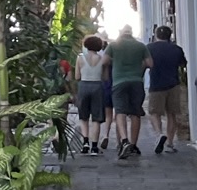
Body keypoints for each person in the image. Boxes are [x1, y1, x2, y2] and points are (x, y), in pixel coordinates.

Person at [104, 24, 149, 159]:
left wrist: (116, 61)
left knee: (120, 112)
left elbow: (104, 61)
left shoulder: (113, 45)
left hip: (119, 82)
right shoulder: (141, 46)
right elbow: (149, 63)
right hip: (137, 81)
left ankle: (124, 140)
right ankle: (134, 145)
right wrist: (138, 69)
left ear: (121, 33)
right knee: (135, 112)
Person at [145, 23, 190, 154]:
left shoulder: (149, 48)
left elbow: (145, 64)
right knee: (172, 114)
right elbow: (183, 64)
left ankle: (159, 134)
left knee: (154, 113)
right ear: (169, 36)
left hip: (156, 84)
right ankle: (170, 143)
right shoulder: (176, 49)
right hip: (173, 84)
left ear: (156, 35)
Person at [73, 35, 108, 155]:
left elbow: (77, 77)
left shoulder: (80, 58)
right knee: (96, 118)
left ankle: (85, 143)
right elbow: (105, 77)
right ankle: (94, 146)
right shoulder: (103, 59)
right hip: (97, 87)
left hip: (83, 86)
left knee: (84, 117)